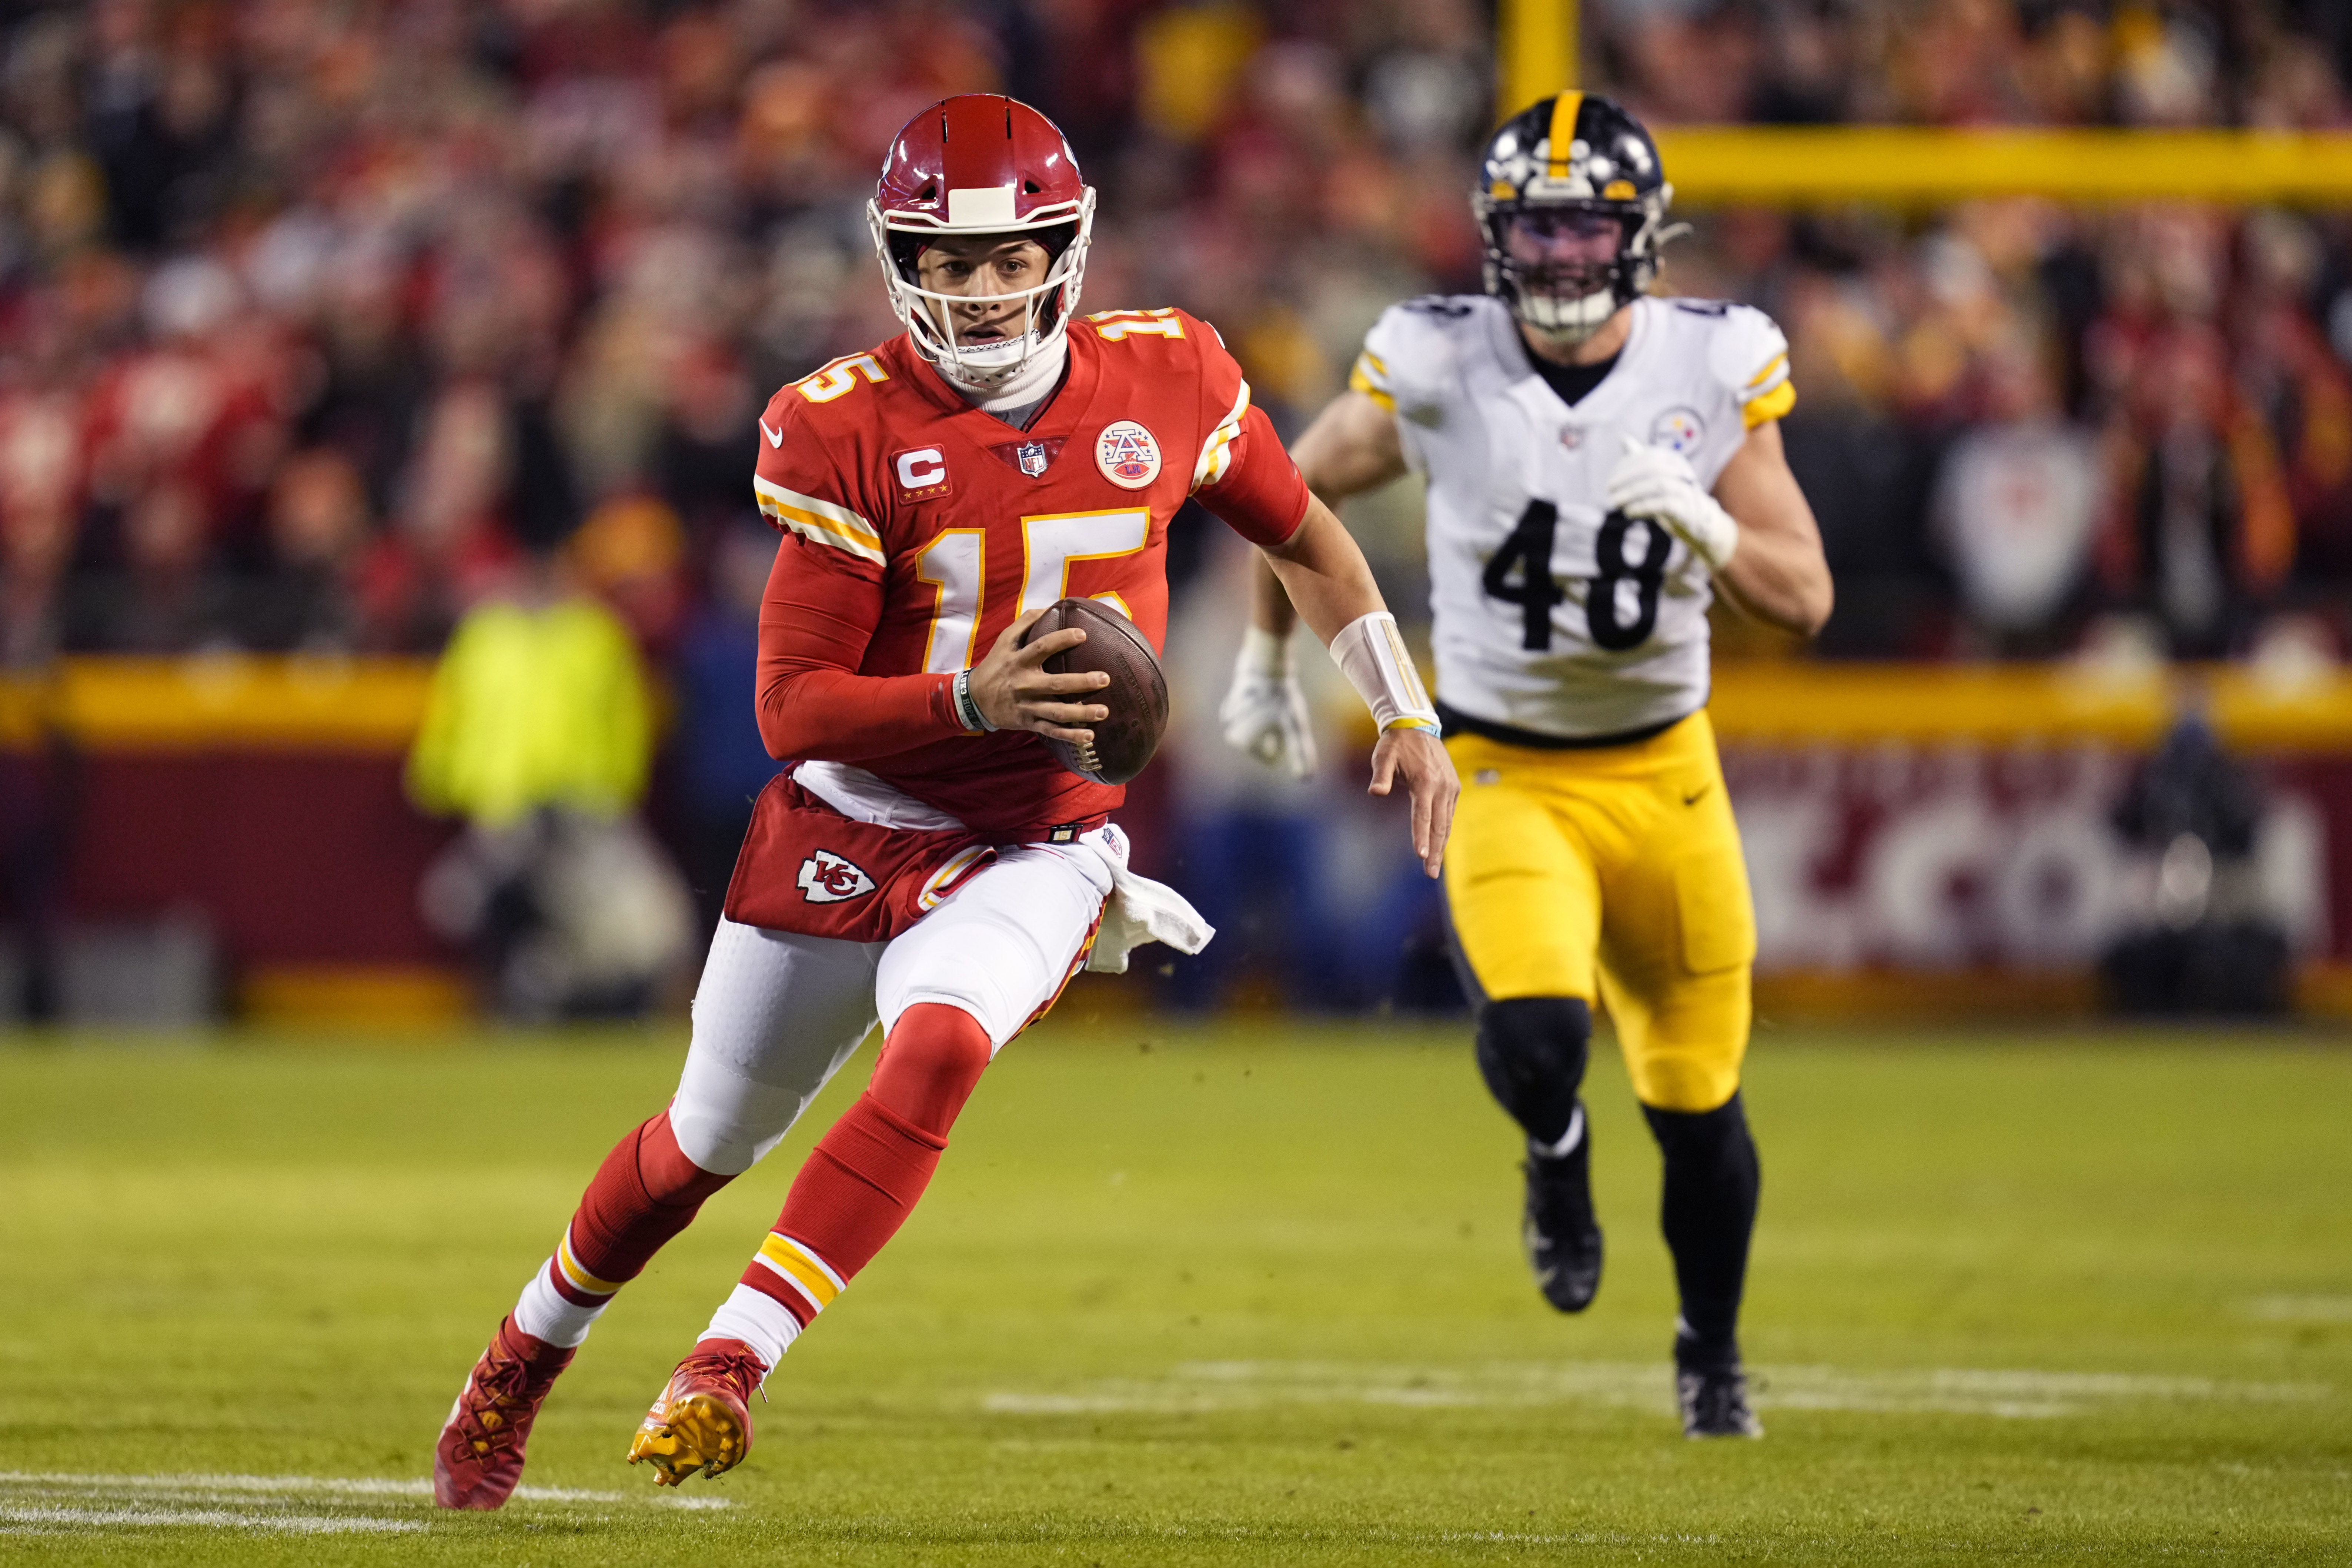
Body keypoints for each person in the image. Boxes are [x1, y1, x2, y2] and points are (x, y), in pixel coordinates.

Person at [431, 94, 1457, 1509]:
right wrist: (971, 700)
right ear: (900, 259)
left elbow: (1307, 538)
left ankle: (730, 1359)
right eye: (950, 262)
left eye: (1008, 258)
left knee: (941, 1043)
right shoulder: (843, 427)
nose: (982, 290)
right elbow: (789, 706)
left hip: (1034, 840)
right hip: (852, 816)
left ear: (1066, 248)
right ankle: (518, 1363)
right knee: (701, 1144)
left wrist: (1404, 704)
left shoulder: (1174, 375)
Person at [1221, 93, 1831, 1438]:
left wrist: (1715, 535)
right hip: (1505, 767)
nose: (1558, 259)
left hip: (1668, 778)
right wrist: (1266, 663)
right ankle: (1554, 1155)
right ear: (1496, 239)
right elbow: (1281, 499)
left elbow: (1807, 597)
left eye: (1584, 230)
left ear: (1640, 236)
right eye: (1534, 232)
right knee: (1544, 1032)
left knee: (1698, 1103)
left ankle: (1710, 1349)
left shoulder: (1716, 364)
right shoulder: (1435, 360)